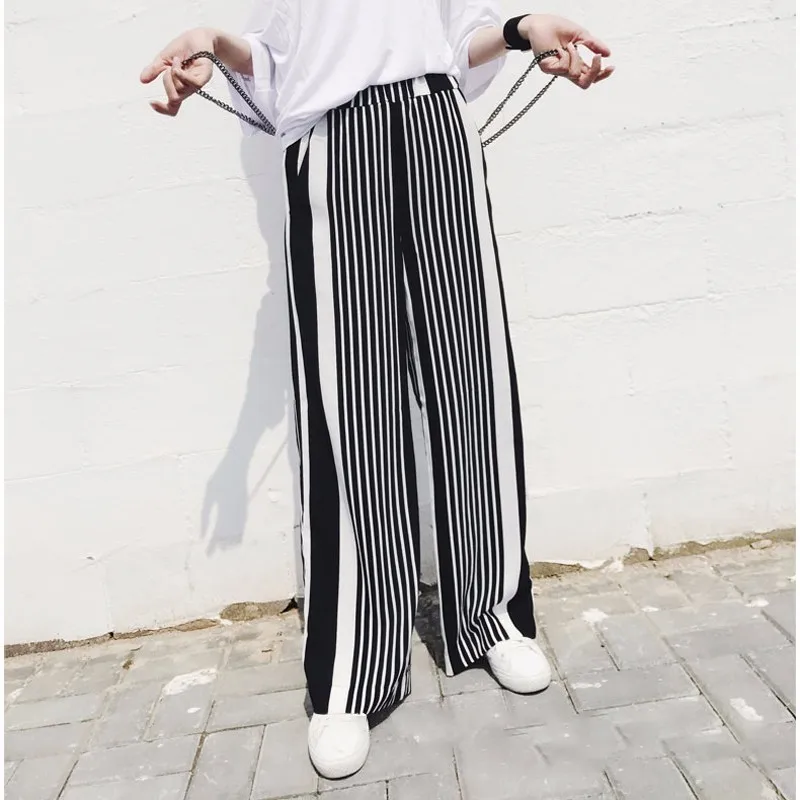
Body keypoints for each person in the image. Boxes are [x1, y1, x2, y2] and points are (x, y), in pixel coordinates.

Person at [141, 1, 612, 780]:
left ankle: (492, 615)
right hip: (332, 143)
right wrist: (218, 46)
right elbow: (281, 59)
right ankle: (353, 668)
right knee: (348, 404)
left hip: (436, 128)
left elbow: (458, 38)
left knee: (473, 380)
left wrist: (523, 30)